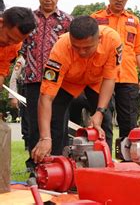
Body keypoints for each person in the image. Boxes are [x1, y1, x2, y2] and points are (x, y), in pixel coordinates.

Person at [31, 16, 122, 162]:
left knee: (104, 121)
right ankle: (55, 164)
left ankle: (105, 164)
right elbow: (46, 97)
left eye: (87, 47)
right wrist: (45, 137)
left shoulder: (112, 41)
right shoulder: (60, 48)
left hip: (96, 82)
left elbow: (109, 79)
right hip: (68, 82)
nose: (81, 52)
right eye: (76, 47)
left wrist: (99, 112)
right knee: (55, 119)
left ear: (99, 38)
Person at [20, 0, 73, 161]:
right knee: (35, 125)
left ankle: (59, 165)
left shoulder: (68, 21)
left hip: (60, 83)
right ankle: (36, 166)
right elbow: (20, 47)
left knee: (59, 124)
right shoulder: (28, 19)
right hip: (34, 80)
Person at [91, 0, 140, 138]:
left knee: (129, 123)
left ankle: (129, 160)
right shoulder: (95, 19)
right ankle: (105, 158)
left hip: (128, 78)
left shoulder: (134, 21)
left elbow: (139, 49)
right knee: (104, 121)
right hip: (102, 77)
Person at [0, 7, 37, 89]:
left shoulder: (15, 46)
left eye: (16, 41)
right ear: (1, 23)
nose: (10, 43)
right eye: (9, 37)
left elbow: (2, 68)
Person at [8, 55, 29, 149]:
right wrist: (13, 96)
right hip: (25, 91)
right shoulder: (22, 59)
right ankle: (27, 143)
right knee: (26, 117)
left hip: (41, 91)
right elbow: (14, 78)